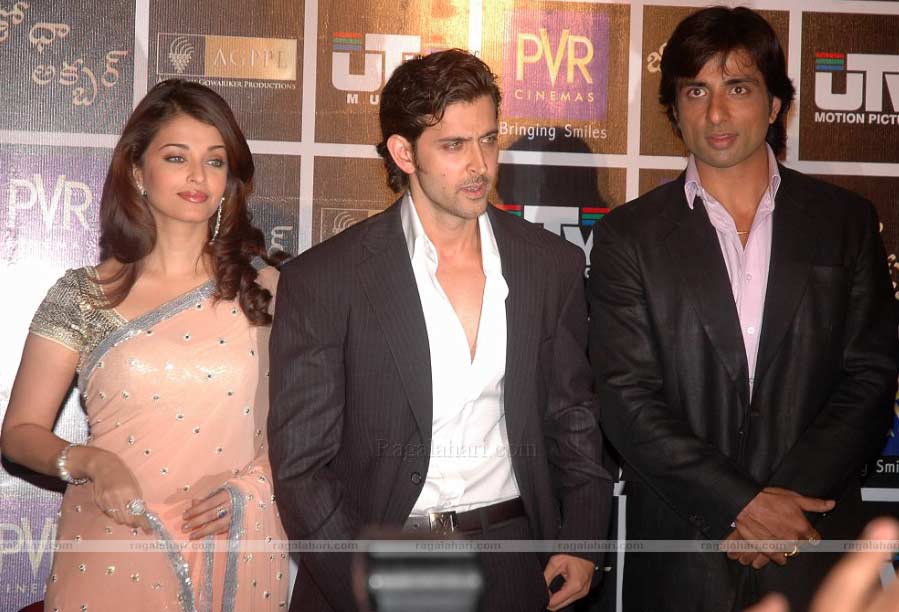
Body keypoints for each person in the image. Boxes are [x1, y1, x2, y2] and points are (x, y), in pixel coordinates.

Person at [269, 49, 613, 612]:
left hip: (512, 559)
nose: (479, 165)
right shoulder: (326, 279)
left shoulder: (550, 265)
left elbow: (572, 413)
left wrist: (582, 539)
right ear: (404, 152)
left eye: (488, 139)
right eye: (454, 145)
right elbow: (302, 468)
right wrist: (360, 582)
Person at [587, 6, 898, 612]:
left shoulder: (845, 223)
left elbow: (870, 379)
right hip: (683, 556)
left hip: (813, 546)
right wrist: (740, 506)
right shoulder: (629, 237)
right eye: (695, 91)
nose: (716, 113)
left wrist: (784, 509)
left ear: (775, 104)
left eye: (737, 88)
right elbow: (626, 397)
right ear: (674, 109)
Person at [0, 79, 289, 611]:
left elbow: (304, 428)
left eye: (215, 161)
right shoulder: (83, 296)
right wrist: (88, 461)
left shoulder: (266, 291)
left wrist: (254, 491)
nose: (198, 176)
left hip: (224, 538)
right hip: (113, 542)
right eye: (177, 157)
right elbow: (18, 434)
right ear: (138, 171)